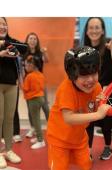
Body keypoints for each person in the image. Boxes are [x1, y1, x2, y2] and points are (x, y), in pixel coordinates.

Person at [46, 46, 111, 170]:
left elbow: (95, 108)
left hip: (79, 138)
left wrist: (101, 103)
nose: (91, 80)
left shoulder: (96, 87)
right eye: (84, 76)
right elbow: (68, 118)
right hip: (59, 139)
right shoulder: (66, 89)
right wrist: (98, 114)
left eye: (94, 73)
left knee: (86, 165)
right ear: (72, 75)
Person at [82, 17, 112, 160]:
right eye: (91, 28)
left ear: (102, 30)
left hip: (106, 91)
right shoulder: (84, 51)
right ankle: (87, 150)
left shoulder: (109, 47)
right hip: (89, 92)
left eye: (97, 27)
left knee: (106, 123)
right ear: (86, 31)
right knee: (89, 122)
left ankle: (108, 147)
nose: (94, 30)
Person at [0, 17, 27, 168]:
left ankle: (9, 150)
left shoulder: (11, 41)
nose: (2, 27)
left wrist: (9, 46)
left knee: (9, 118)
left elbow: (24, 48)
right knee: (0, 117)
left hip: (11, 84)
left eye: (4, 24)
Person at [24, 32, 49, 138]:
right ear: (27, 40)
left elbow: (47, 60)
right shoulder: (24, 53)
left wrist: (45, 53)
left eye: (34, 39)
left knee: (45, 107)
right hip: (29, 85)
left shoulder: (40, 53)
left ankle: (52, 126)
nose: (33, 40)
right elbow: (21, 68)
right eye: (31, 38)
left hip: (40, 84)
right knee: (30, 109)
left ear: (37, 41)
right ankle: (33, 128)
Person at [21, 54, 46, 149]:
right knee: (37, 119)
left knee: (36, 120)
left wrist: (21, 83)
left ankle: (41, 140)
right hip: (40, 98)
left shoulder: (29, 76)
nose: (26, 67)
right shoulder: (41, 75)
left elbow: (25, 88)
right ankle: (39, 137)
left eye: (27, 65)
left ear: (32, 65)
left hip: (33, 100)